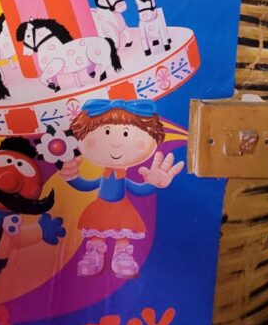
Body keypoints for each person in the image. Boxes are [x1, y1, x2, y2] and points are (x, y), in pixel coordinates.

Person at [62, 98, 183, 278]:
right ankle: (95, 251)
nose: (116, 143)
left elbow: (140, 190)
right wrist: (71, 176)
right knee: (98, 231)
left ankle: (122, 254)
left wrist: (154, 183)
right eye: (107, 132)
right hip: (100, 208)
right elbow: (85, 185)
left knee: (122, 233)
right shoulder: (103, 174)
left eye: (126, 134)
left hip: (122, 208)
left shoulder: (122, 177)